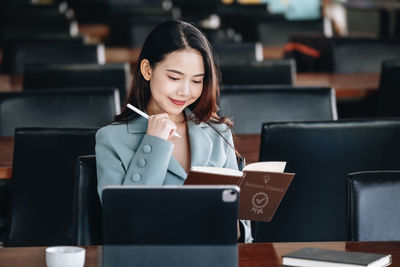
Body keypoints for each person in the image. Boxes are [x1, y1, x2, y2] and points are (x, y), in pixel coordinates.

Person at [95, 20, 252, 243]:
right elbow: (123, 222)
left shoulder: (218, 131)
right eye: (174, 78)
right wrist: (153, 144)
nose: (185, 91)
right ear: (147, 70)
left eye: (197, 81)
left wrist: (234, 225)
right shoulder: (111, 139)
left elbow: (242, 229)